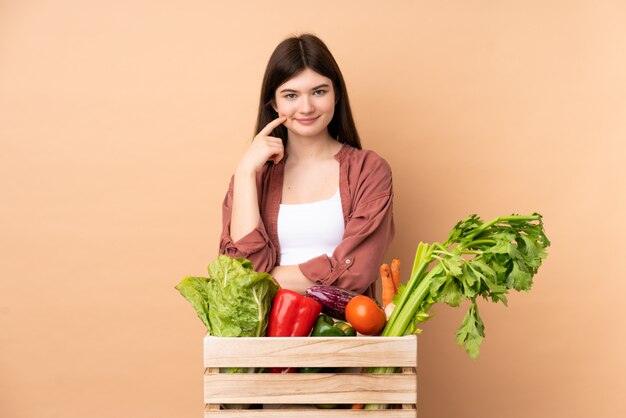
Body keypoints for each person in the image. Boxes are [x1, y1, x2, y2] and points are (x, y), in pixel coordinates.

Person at [219, 34, 394, 298]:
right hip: (266, 336)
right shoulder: (253, 176)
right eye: (291, 95)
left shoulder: (369, 170)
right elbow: (236, 277)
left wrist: (263, 277)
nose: (306, 107)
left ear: (336, 95)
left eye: (319, 91)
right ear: (274, 103)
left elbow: (356, 272)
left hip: (345, 333)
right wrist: (244, 173)